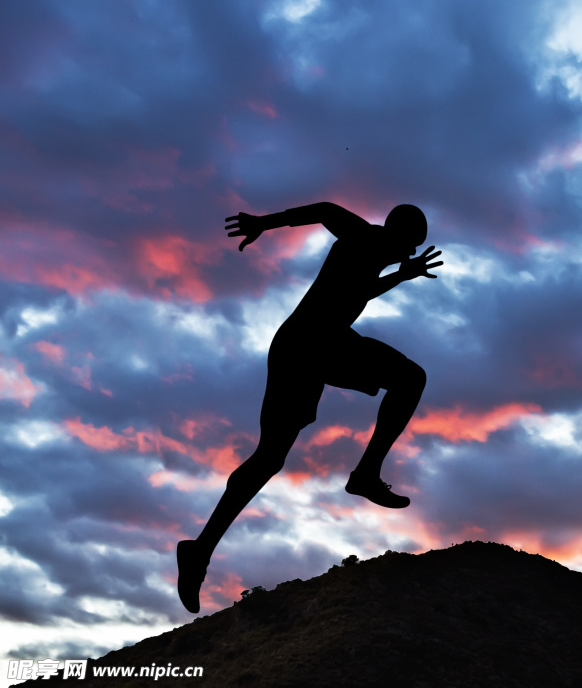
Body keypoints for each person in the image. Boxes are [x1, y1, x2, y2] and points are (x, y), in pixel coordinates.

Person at [176, 201, 442, 613]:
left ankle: (200, 550)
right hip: (307, 344)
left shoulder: (374, 251)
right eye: (409, 247)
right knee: (270, 457)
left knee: (272, 456)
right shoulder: (364, 235)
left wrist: (398, 276)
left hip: (319, 343)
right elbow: (324, 210)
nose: (408, 256)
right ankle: (365, 476)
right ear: (398, 235)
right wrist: (264, 222)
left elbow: (355, 286)